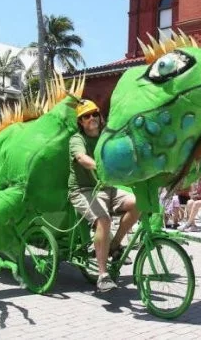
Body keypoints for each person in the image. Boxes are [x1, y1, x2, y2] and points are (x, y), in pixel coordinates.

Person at [68, 99, 139, 292]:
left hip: (107, 188)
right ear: (81, 121)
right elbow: (81, 157)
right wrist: (99, 167)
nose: (91, 118)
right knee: (104, 220)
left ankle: (114, 244)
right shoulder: (77, 139)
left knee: (138, 203)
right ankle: (102, 275)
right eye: (86, 116)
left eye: (94, 114)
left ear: (100, 117)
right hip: (83, 190)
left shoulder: (106, 137)